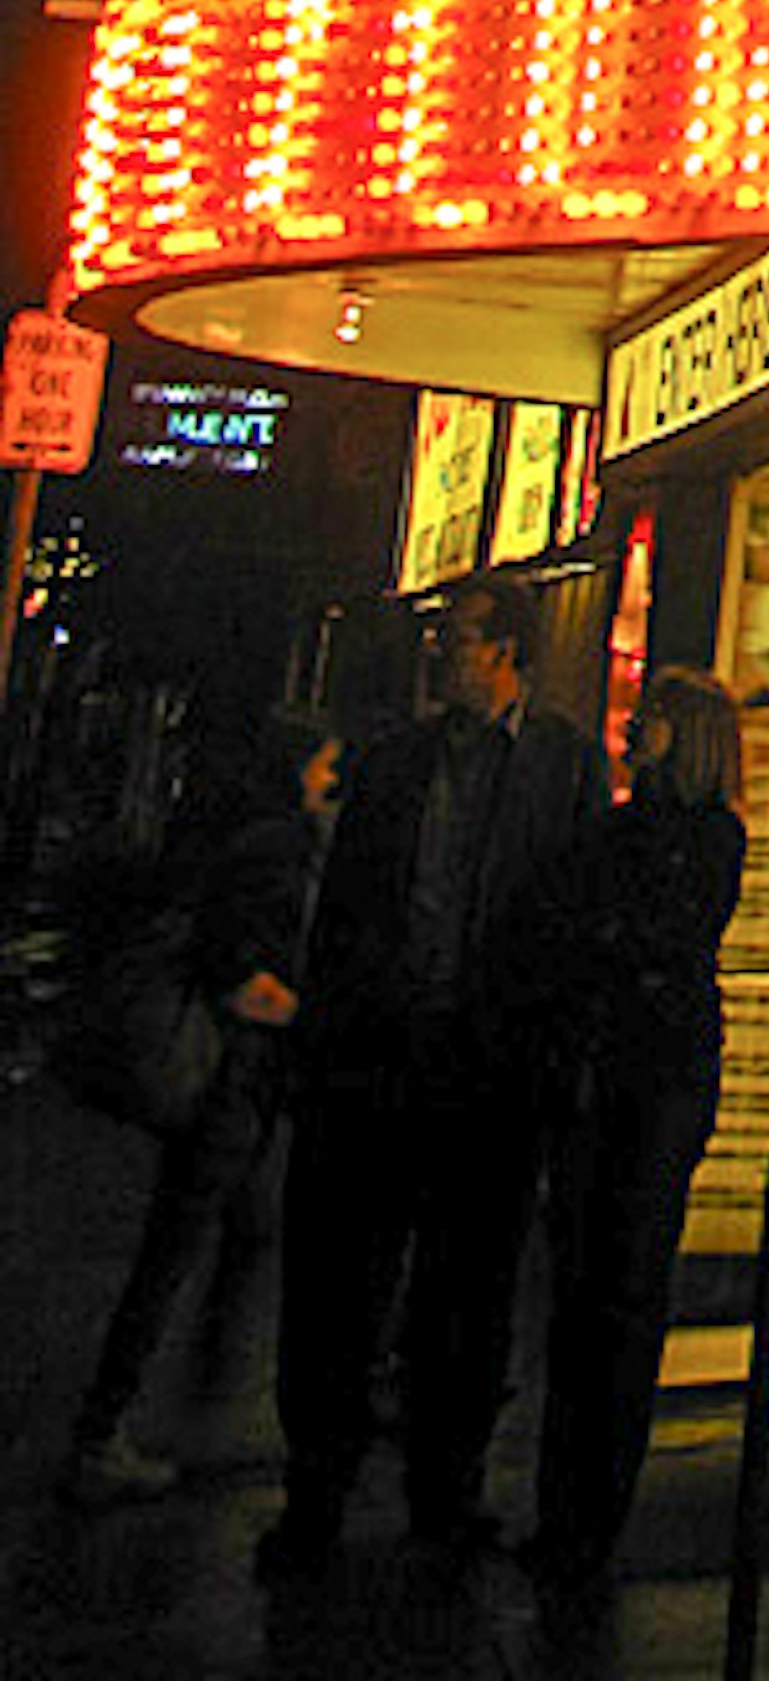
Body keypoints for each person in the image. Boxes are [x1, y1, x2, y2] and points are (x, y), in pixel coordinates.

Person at [259, 570, 599, 1572]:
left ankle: (442, 1491)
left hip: (488, 1070)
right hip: (380, 1058)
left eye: (458, 638)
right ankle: (317, 1487)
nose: (441, 652)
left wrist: (547, 1055)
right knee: (342, 1285)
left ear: (507, 652)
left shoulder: (559, 764)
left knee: (468, 1288)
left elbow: (567, 920)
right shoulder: (398, 759)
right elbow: (347, 914)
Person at [65, 708, 341, 1501]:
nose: (333, 782)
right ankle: (109, 1425)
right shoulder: (277, 851)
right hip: (232, 1076)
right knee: (180, 1243)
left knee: (231, 1228)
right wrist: (312, 1014)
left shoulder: (235, 835)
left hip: (234, 1079)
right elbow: (240, 969)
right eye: (325, 767)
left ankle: (184, 1399)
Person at [534, 665, 749, 1595]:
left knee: (614, 1289)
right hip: (636, 1067)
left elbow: (642, 934)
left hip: (644, 1075)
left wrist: (608, 940)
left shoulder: (695, 836)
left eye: (654, 717)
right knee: (591, 1288)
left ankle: (585, 1515)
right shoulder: (649, 832)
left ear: (685, 732)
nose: (634, 727)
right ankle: (571, 1512)